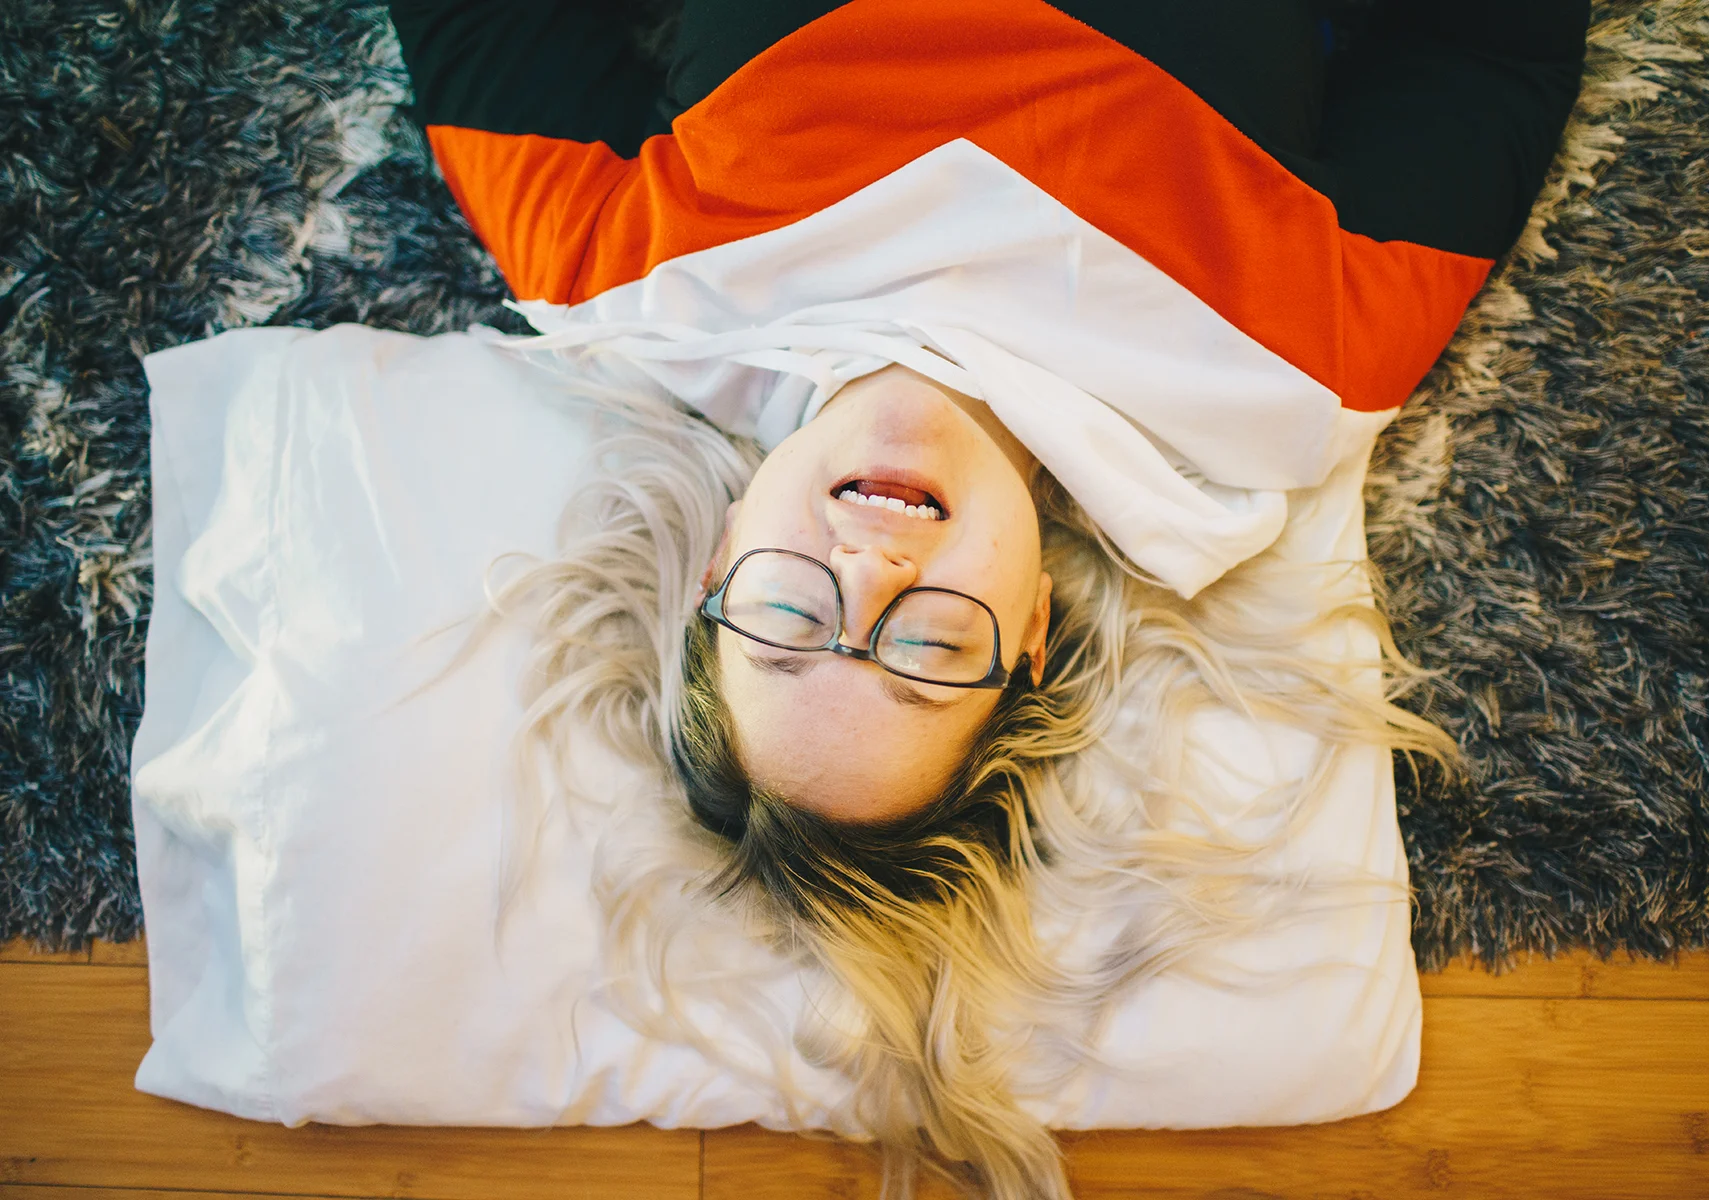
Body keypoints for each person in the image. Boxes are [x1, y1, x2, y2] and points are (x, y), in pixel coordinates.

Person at [389, 1, 1588, 1195]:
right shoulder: (1298, 374)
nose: (870, 572)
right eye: (923, 652)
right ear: (1032, 633)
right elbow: (1488, 49)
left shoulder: (613, 281)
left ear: (717, 566)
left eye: (790, 624)